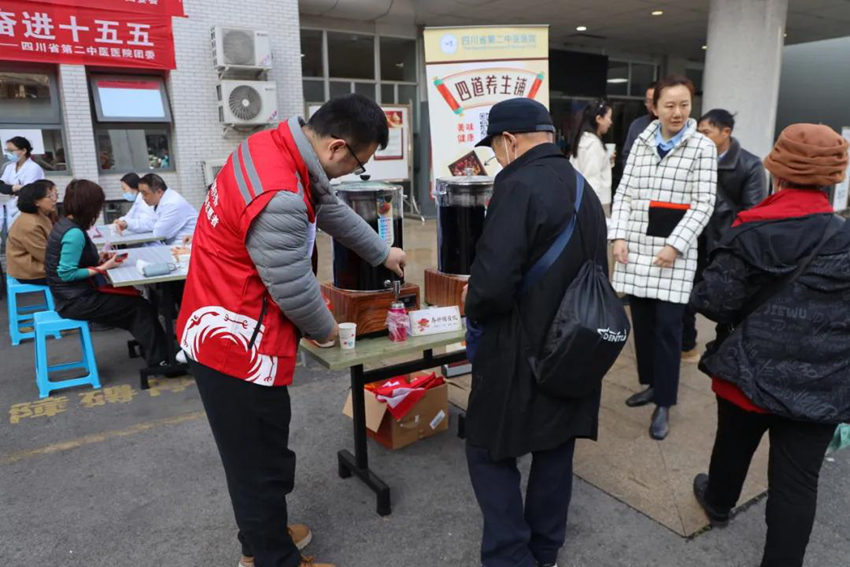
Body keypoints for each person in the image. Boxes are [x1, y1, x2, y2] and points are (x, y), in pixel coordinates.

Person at [177, 94, 406, 567]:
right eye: (359, 165)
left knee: (251, 457)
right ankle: (273, 558)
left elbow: (327, 207)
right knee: (259, 464)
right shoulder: (279, 194)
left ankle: (260, 540)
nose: (352, 174)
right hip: (237, 344)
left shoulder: (273, 146)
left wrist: (382, 252)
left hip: (216, 322)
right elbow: (292, 287)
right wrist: (328, 330)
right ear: (338, 147)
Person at [690, 123, 850, 567]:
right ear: (831, 178)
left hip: (749, 374)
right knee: (797, 484)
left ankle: (719, 502)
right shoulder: (844, 237)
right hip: (822, 385)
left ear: (776, 172)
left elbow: (714, 302)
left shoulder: (748, 231)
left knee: (733, 444)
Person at [463, 98, 608, 567]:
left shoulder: (517, 185)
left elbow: (491, 285)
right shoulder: (583, 187)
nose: (497, 159)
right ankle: (544, 551)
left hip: (519, 347)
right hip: (576, 347)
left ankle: (509, 556)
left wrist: (474, 310)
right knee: (554, 446)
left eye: (495, 149)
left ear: (509, 140)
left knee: (487, 450)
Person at [608, 74, 716, 440]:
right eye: (669, 105)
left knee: (669, 329)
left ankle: (664, 403)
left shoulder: (702, 147)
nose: (677, 112)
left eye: (684, 104)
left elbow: (704, 204)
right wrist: (618, 236)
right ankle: (652, 384)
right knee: (644, 323)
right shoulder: (641, 141)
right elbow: (622, 193)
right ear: (654, 106)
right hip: (637, 248)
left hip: (673, 253)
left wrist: (677, 244)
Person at [44, 179, 168, 369]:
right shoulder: (74, 233)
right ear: (89, 206)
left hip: (69, 296)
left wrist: (100, 257)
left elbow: (74, 260)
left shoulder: (65, 224)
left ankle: (154, 350)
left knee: (139, 306)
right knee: (139, 307)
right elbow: (67, 273)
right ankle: (161, 361)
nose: (99, 211)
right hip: (76, 301)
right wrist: (102, 268)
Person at [681, 109, 768, 361]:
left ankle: (729, 351)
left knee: (726, 301)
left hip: (725, 245)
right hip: (694, 239)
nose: (700, 137)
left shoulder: (750, 165)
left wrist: (710, 202)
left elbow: (752, 213)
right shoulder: (693, 159)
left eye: (706, 132)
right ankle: (687, 345)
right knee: (686, 297)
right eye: (698, 132)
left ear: (725, 132)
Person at [5, 180, 58, 285]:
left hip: (39, 266)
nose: (55, 200)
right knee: (77, 278)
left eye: (56, 195)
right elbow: (45, 256)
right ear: (36, 201)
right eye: (50, 196)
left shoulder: (41, 216)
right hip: (30, 271)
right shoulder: (30, 224)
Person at [569, 98, 615, 211]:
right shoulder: (593, 144)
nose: (610, 122)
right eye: (608, 117)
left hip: (579, 200)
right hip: (597, 203)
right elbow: (592, 180)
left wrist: (606, 161)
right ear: (599, 119)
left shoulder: (583, 140)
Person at [137, 173, 197, 244]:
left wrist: (152, 225)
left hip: (185, 246)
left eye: (145, 194)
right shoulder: (160, 202)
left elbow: (159, 233)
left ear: (159, 192)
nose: (143, 198)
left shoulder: (173, 204)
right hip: (175, 244)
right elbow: (149, 222)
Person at [2, 136, 45, 231]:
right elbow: (1, 186)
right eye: (7, 150)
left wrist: (11, 188)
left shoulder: (33, 168)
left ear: (24, 151)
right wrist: (14, 188)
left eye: (11, 151)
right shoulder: (9, 167)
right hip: (12, 206)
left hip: (27, 208)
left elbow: (27, 191)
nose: (8, 154)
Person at [620, 83, 657, 169]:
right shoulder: (637, 125)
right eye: (648, 101)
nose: (649, 105)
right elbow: (627, 155)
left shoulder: (671, 126)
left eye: (652, 101)